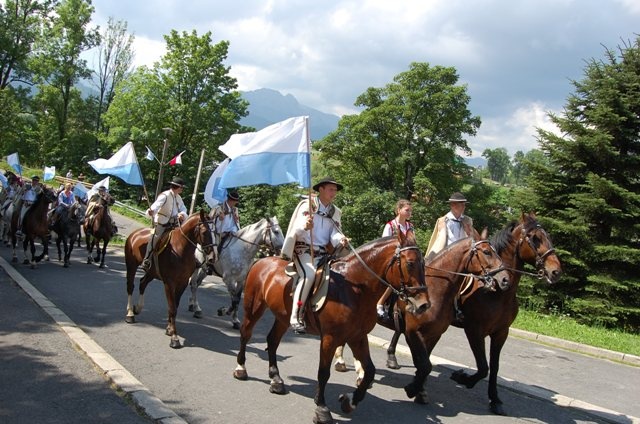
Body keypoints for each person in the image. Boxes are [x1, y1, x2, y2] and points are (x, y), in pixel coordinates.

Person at [281, 177, 349, 334]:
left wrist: (341, 239)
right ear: (321, 189)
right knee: (309, 275)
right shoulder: (307, 205)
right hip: (304, 250)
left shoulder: (335, 211)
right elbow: (296, 228)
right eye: (331, 189)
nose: (334, 192)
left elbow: (334, 234)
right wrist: (305, 226)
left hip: (324, 253)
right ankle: (295, 316)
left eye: (335, 190)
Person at [141, 177, 188, 272]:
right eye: (181, 187)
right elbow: (155, 206)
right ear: (177, 187)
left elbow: (183, 208)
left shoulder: (178, 197)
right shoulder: (165, 195)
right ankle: (147, 259)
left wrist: (182, 214)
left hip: (174, 223)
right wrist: (151, 211)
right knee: (155, 238)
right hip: (162, 222)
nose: (182, 189)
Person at [377, 199, 414, 319]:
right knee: (396, 279)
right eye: (407, 210)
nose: (409, 213)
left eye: (410, 211)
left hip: (405, 258)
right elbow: (383, 245)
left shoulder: (410, 226)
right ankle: (380, 303)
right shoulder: (390, 226)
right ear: (398, 210)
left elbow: (413, 242)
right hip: (392, 259)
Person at [425, 192, 474, 260]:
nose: (464, 207)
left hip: (464, 256)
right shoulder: (442, 221)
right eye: (461, 205)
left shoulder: (467, 220)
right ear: (453, 205)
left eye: (464, 205)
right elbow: (439, 242)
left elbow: (471, 238)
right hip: (446, 256)